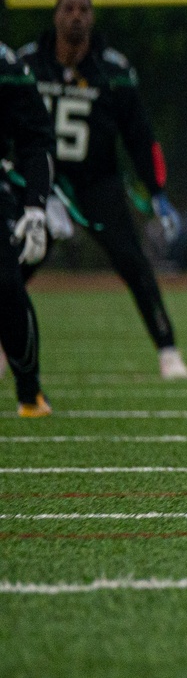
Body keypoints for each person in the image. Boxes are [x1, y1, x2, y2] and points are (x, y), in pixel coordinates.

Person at [18, 0, 187, 379]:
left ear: (92, 17)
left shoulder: (113, 69)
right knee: (15, 266)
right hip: (42, 182)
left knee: (133, 263)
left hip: (98, 182)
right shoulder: (28, 63)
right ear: (56, 15)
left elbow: (140, 136)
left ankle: (168, 350)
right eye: (68, 9)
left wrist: (157, 192)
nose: (76, 16)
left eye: (83, 10)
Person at [0, 42, 54, 415]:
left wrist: (34, 207)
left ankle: (29, 391)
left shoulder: (5, 63)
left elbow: (37, 139)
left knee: (6, 283)